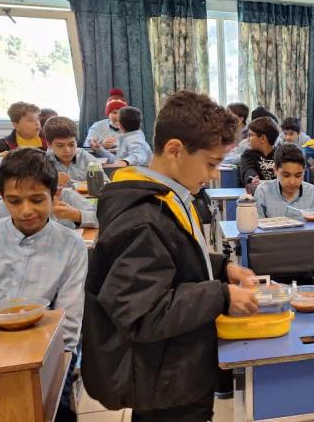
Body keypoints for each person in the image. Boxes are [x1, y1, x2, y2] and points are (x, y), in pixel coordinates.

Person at [82, 90, 259, 422]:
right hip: (166, 380)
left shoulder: (169, 196)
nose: (214, 174)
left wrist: (222, 268)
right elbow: (143, 312)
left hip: (175, 368)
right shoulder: (143, 217)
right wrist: (221, 295)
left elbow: (173, 258)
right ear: (175, 150)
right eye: (211, 163)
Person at [0, 148, 87, 422]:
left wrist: (60, 364)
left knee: (54, 410)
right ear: (2, 198)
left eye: (37, 199)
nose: (26, 210)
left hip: (40, 347)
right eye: (14, 201)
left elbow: (69, 319)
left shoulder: (71, 245)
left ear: (54, 195)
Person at [254, 144, 314, 218]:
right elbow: (257, 223)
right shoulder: (263, 192)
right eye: (286, 175)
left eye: (298, 175)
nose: (292, 182)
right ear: (275, 170)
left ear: (304, 171)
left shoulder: (312, 192)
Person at [44, 116, 99, 182]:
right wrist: (52, 183)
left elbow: (104, 183)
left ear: (76, 142)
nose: (67, 150)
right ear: (49, 144)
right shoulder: (44, 162)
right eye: (60, 146)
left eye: (71, 145)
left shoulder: (85, 157)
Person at [239, 116, 279, 194]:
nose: (248, 139)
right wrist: (253, 179)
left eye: (251, 135)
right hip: (257, 195)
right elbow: (248, 171)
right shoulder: (247, 155)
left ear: (262, 138)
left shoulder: (282, 154)